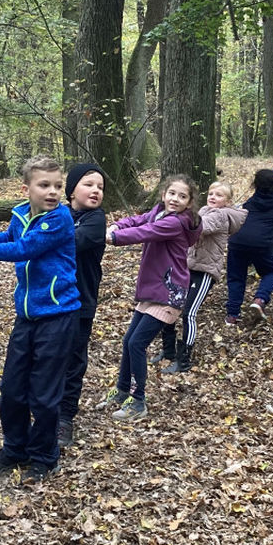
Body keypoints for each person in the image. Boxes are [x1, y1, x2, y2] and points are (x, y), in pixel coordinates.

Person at [0, 156, 80, 484]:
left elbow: (23, 249)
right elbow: (10, 237)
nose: (53, 192)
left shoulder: (59, 220)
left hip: (58, 316)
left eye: (57, 186)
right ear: (26, 189)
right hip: (27, 316)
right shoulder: (23, 214)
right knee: (12, 388)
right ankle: (15, 448)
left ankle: (44, 456)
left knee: (43, 393)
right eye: (44, 185)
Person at [96, 175, 202, 420]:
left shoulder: (175, 223)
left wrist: (114, 237)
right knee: (128, 341)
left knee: (136, 344)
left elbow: (145, 231)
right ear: (163, 194)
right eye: (172, 193)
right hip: (154, 289)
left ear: (189, 203)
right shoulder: (159, 212)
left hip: (169, 292)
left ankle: (138, 401)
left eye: (182, 196)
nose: (175, 199)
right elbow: (139, 220)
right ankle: (123, 390)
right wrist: (118, 225)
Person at [157, 181, 246, 373]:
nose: (213, 197)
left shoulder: (221, 215)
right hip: (186, 267)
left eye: (219, 195)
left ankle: (184, 359)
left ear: (228, 202)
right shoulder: (204, 210)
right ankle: (168, 350)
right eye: (211, 193)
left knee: (189, 313)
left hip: (205, 271)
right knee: (170, 306)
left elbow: (200, 227)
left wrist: (174, 219)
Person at [57, 162, 106, 449]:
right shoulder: (61, 214)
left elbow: (71, 243)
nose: (96, 190)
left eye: (100, 187)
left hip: (81, 300)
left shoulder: (96, 219)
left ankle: (65, 418)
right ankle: (45, 408)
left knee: (74, 359)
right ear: (72, 189)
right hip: (53, 299)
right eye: (89, 184)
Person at [225, 169, 273, 325]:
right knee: (271, 273)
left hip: (238, 240)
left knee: (236, 277)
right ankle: (260, 299)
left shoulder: (250, 202)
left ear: (255, 185)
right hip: (262, 243)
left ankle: (232, 314)